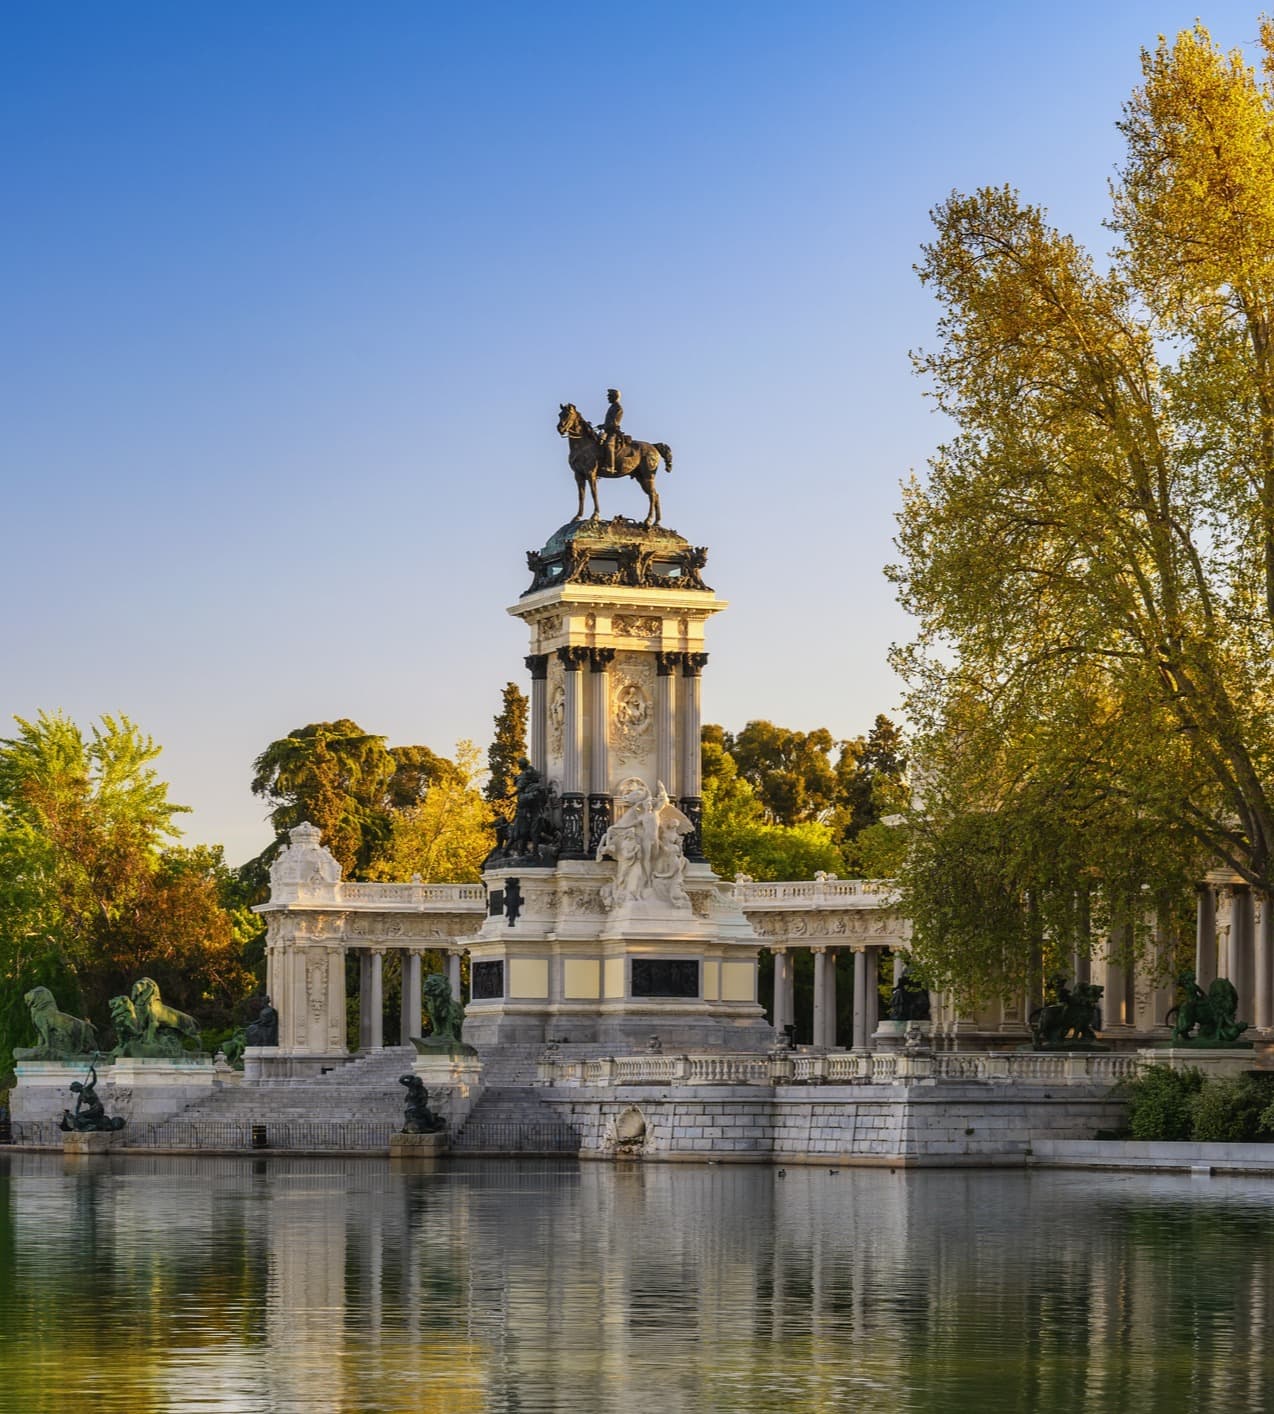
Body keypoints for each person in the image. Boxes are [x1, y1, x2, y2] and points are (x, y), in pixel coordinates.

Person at [598, 388, 624, 473]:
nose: (607, 397)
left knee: (608, 445)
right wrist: (602, 425)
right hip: (607, 430)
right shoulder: (612, 407)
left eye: (609, 396)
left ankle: (610, 466)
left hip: (613, 432)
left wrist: (604, 426)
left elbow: (614, 423)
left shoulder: (618, 408)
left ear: (615, 397)